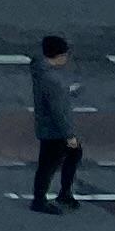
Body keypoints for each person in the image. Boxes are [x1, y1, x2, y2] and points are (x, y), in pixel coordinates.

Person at [31, 32, 84, 211]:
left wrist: (65, 91)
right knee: (48, 164)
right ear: (59, 55)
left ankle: (62, 194)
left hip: (48, 127)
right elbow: (58, 111)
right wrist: (69, 135)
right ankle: (41, 200)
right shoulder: (51, 80)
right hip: (55, 130)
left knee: (71, 155)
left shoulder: (41, 70)